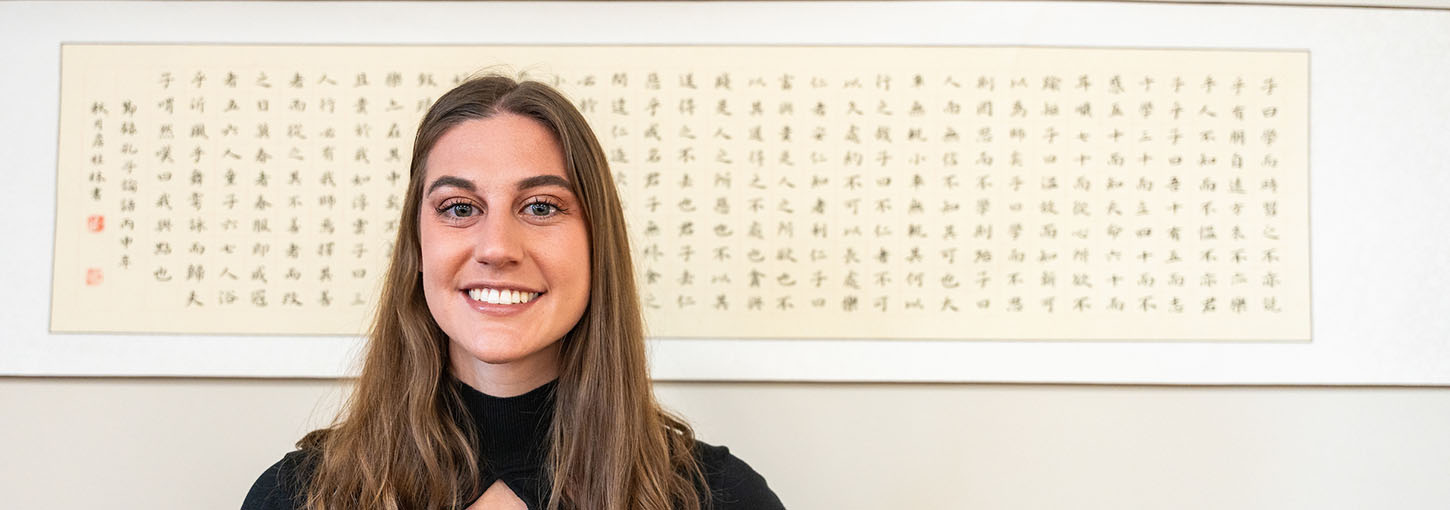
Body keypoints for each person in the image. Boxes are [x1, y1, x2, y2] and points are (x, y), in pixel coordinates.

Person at [242, 74, 785, 510]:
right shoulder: (298, 497)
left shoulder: (720, 497)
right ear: (417, 246)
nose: (497, 248)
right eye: (459, 208)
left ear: (598, 243)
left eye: (541, 207)